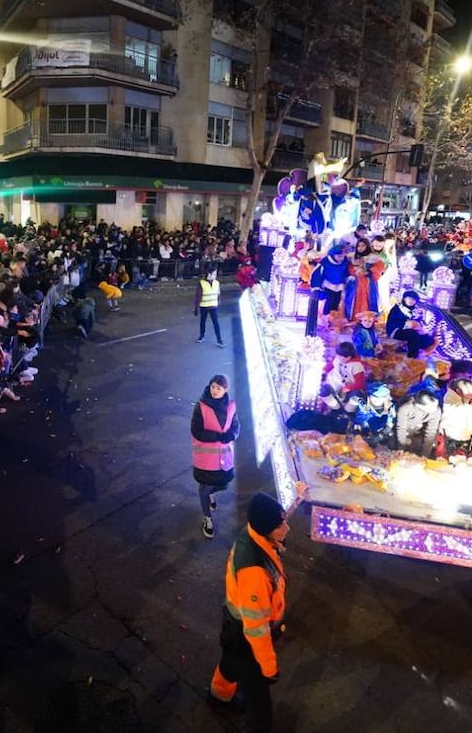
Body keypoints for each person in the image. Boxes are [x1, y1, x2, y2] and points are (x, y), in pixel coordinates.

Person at [208, 492, 288, 732]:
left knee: (229, 664)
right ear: (267, 529)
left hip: (233, 629)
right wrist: (269, 667)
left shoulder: (252, 534)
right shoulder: (254, 572)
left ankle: (218, 696)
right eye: (280, 525)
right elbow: (255, 629)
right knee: (260, 708)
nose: (287, 528)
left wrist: (298, 498)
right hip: (247, 643)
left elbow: (270, 519)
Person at [191, 374, 240, 540]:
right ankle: (207, 518)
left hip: (224, 457)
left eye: (218, 388)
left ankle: (210, 495)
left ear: (225, 389)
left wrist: (231, 435)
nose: (215, 390)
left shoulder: (231, 406)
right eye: (212, 386)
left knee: (224, 485)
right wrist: (218, 437)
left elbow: (235, 426)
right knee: (204, 488)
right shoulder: (201, 406)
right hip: (205, 458)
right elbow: (196, 431)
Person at [195, 267, 224, 347]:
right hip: (204, 306)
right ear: (209, 274)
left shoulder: (217, 283)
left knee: (216, 323)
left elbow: (218, 293)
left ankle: (219, 340)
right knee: (203, 322)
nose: (215, 275)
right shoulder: (201, 283)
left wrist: (218, 302)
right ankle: (202, 336)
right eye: (214, 274)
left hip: (213, 306)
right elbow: (198, 296)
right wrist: (196, 307)